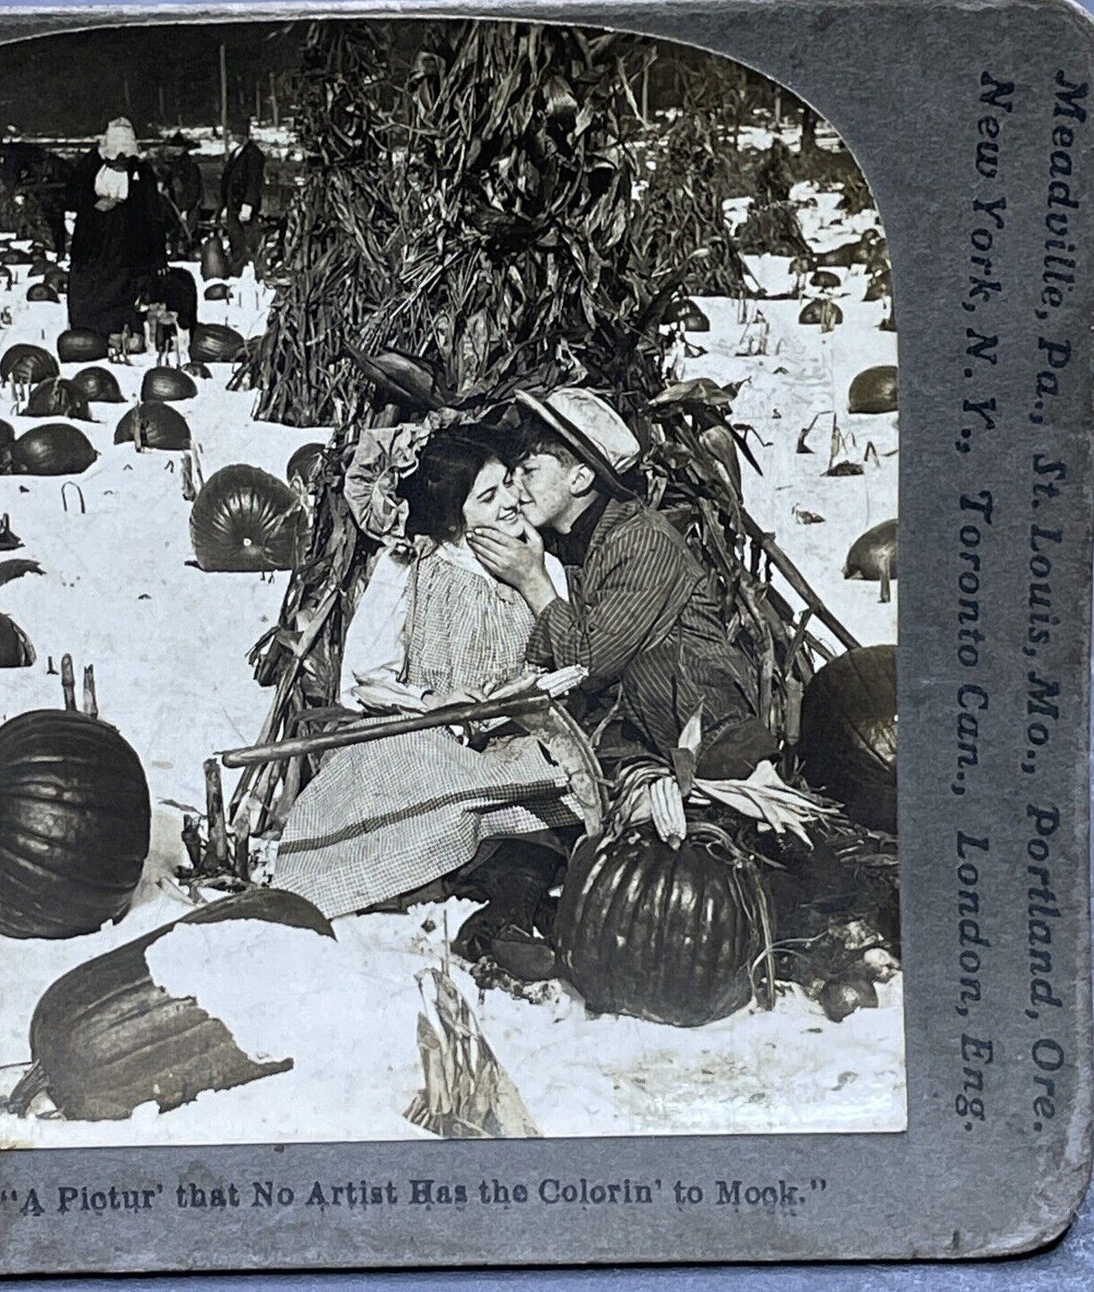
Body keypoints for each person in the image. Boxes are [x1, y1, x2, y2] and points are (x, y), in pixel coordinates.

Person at [271, 420, 585, 972]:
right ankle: (430, 880)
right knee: (412, 780)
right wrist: (430, 699)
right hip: (428, 730)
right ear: (452, 520)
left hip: (511, 737)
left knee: (544, 795)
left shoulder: (543, 566)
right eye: (488, 498)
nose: (512, 501)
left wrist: (533, 591)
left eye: (510, 483)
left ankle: (504, 918)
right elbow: (366, 674)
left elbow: (567, 656)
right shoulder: (412, 568)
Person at [469, 387, 779, 851]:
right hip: (631, 734)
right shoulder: (564, 543)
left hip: (697, 719)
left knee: (660, 671)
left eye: (529, 471)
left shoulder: (641, 542)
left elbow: (588, 663)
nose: (515, 486)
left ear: (579, 479)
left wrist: (533, 582)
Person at [64, 118, 167, 338]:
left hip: (127, 241)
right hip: (93, 240)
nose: (120, 159)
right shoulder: (91, 164)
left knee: (122, 288)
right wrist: (94, 205)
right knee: (88, 287)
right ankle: (87, 331)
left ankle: (120, 331)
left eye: (125, 155)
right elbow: (73, 195)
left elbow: (153, 213)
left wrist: (158, 254)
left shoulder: (142, 172)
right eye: (116, 154)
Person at [219, 117, 265, 275]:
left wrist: (248, 204)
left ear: (242, 134)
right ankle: (237, 271)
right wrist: (225, 205)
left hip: (244, 207)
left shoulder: (253, 154)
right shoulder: (235, 154)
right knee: (235, 241)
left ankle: (250, 273)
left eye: (234, 133)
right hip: (233, 205)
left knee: (248, 242)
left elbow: (254, 182)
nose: (231, 136)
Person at [160, 132, 205, 257]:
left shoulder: (190, 166)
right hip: (175, 203)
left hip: (188, 205)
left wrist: (186, 208)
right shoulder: (175, 164)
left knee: (186, 231)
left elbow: (192, 189)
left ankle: (185, 250)